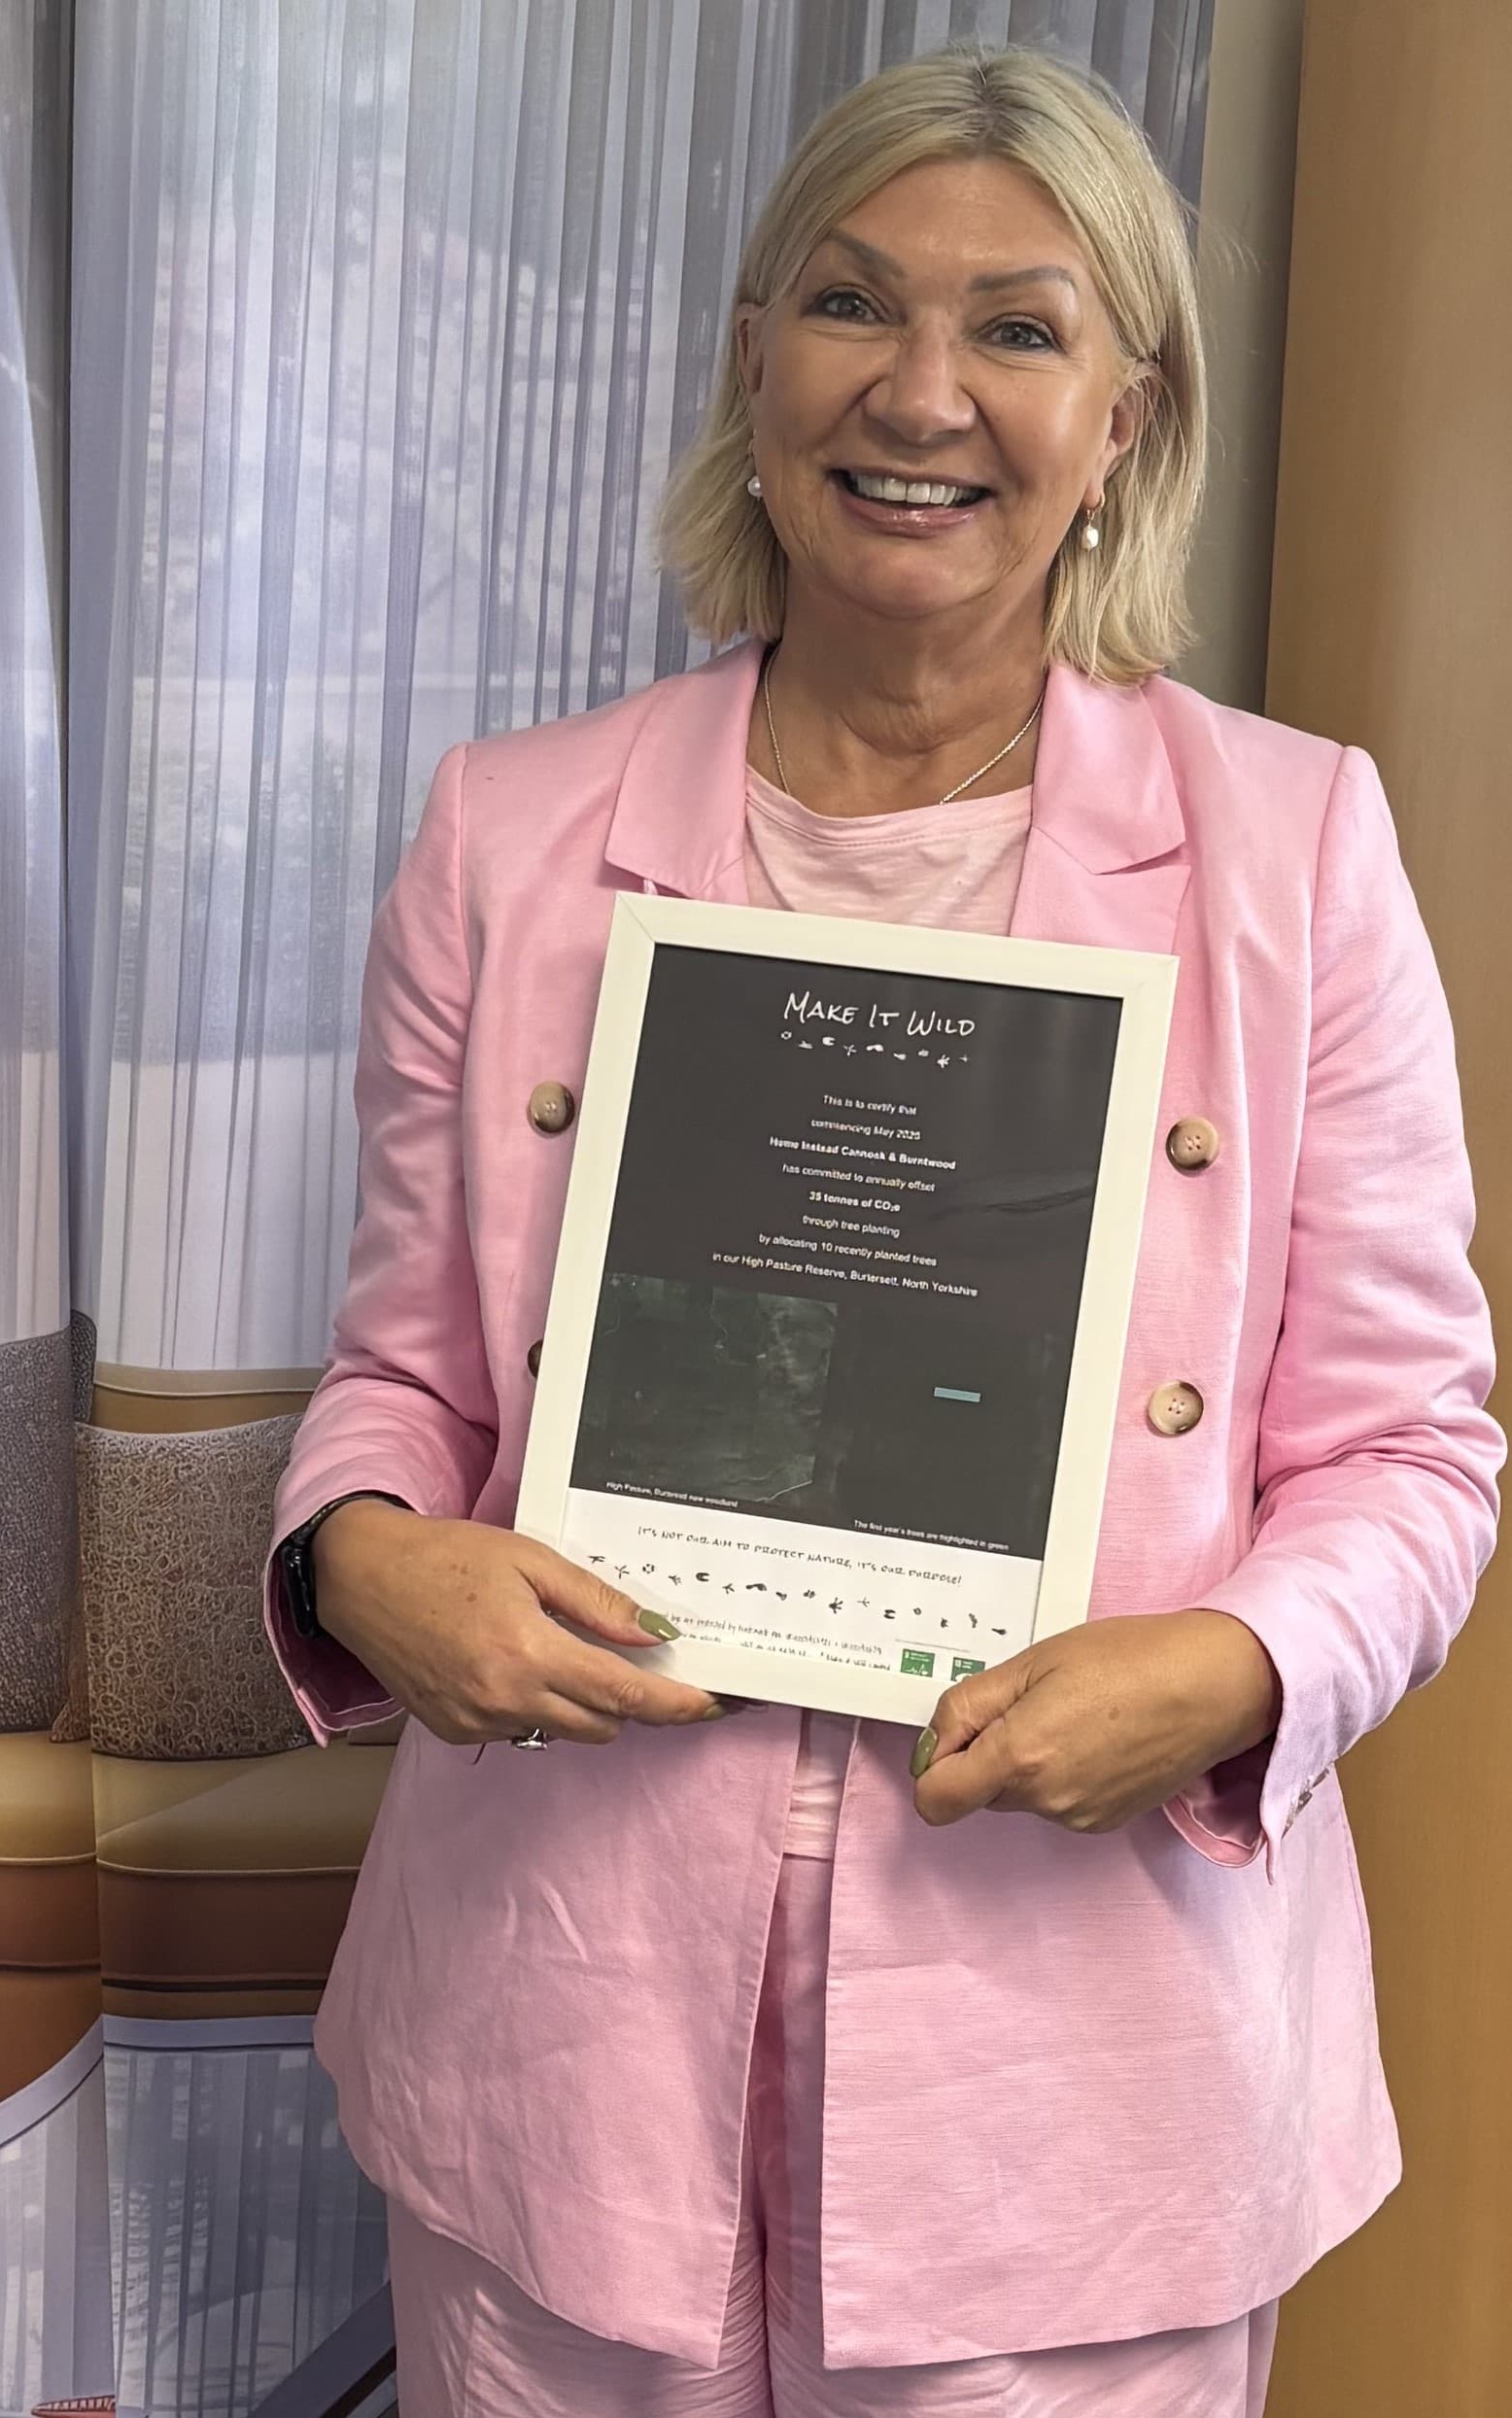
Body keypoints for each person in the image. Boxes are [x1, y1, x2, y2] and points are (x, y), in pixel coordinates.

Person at [263, 45, 1502, 2418]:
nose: (920, 392)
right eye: (850, 304)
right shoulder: (514, 838)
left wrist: (1234, 1668)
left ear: (1124, 413)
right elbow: (405, 1372)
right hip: (567, 2036)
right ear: (754, 360)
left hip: (1078, 2078)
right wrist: (359, 1552)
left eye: (1021, 329)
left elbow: (1413, 1451)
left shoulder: (1295, 853)